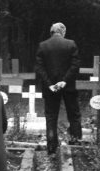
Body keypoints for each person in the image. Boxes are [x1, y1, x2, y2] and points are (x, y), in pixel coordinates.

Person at [35, 22, 82, 154]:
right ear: (63, 32)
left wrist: (49, 83)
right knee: (74, 115)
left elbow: (39, 68)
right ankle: (76, 144)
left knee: (51, 116)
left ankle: (51, 147)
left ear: (51, 32)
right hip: (68, 87)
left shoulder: (43, 46)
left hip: (50, 88)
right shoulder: (71, 44)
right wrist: (64, 81)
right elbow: (75, 66)